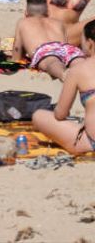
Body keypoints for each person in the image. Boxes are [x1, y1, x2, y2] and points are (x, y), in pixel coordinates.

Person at [32, 19, 95, 155]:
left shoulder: (78, 70)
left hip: (92, 141)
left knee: (39, 116)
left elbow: (60, 114)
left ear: (90, 43)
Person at [12, 0, 83, 81]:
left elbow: (17, 48)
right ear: (47, 12)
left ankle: (63, 74)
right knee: (76, 59)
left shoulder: (22, 22)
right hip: (66, 48)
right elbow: (65, 44)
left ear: (26, 13)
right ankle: (86, 70)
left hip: (45, 50)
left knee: (52, 62)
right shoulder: (58, 22)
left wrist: (15, 59)